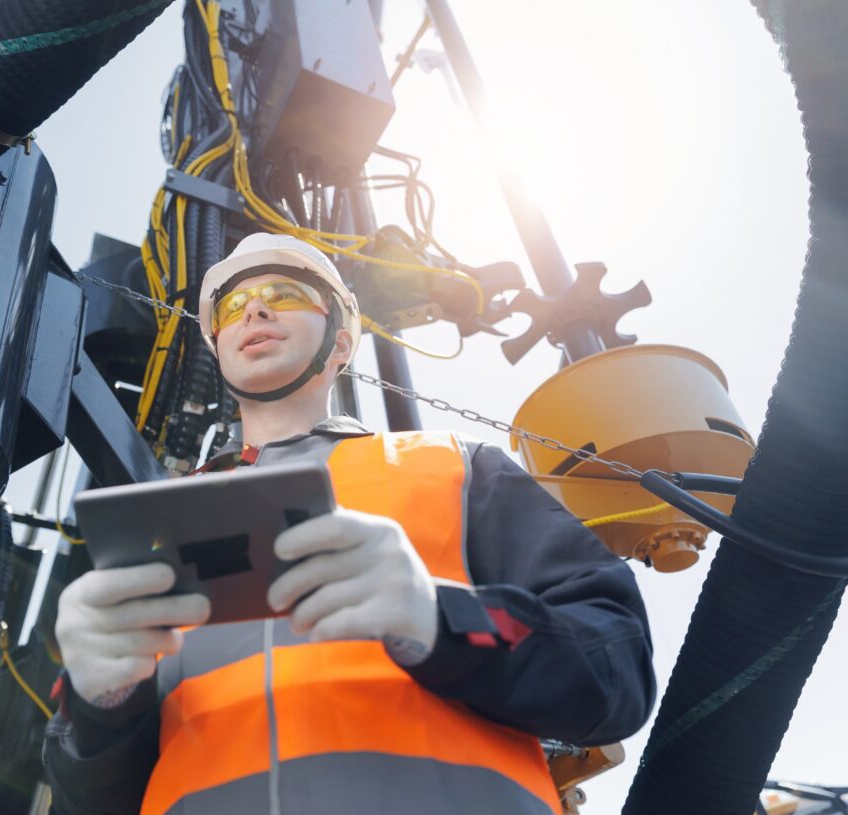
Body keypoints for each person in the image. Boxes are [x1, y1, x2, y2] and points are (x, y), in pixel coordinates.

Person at [43, 233, 656, 815]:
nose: (254, 309)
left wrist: (437, 617)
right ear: (218, 343)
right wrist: (100, 710)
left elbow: (613, 663)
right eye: (234, 305)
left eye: (284, 294)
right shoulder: (159, 528)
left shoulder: (457, 469)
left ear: (340, 340)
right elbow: (94, 801)